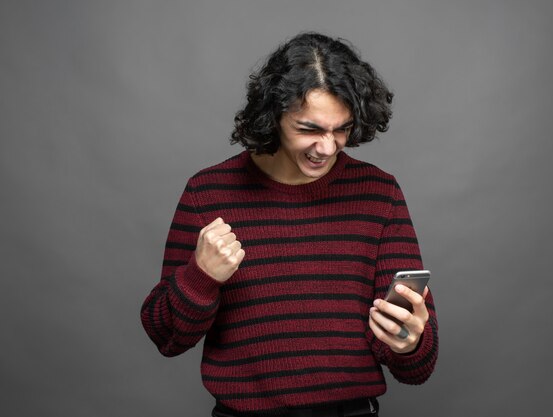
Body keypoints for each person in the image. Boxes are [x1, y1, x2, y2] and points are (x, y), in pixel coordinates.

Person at [141, 32, 438, 416]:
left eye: (341, 129)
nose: (327, 148)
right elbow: (165, 337)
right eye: (309, 129)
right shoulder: (208, 193)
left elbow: (417, 368)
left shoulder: (379, 193)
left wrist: (409, 342)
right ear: (274, 115)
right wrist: (201, 276)